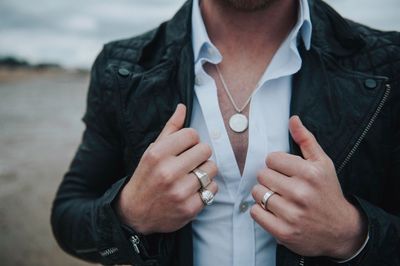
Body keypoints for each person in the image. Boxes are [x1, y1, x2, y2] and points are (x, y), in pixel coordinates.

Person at [51, 0, 400, 265]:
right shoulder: (121, 67)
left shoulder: (390, 64)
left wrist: (352, 234)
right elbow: (68, 217)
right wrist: (129, 213)